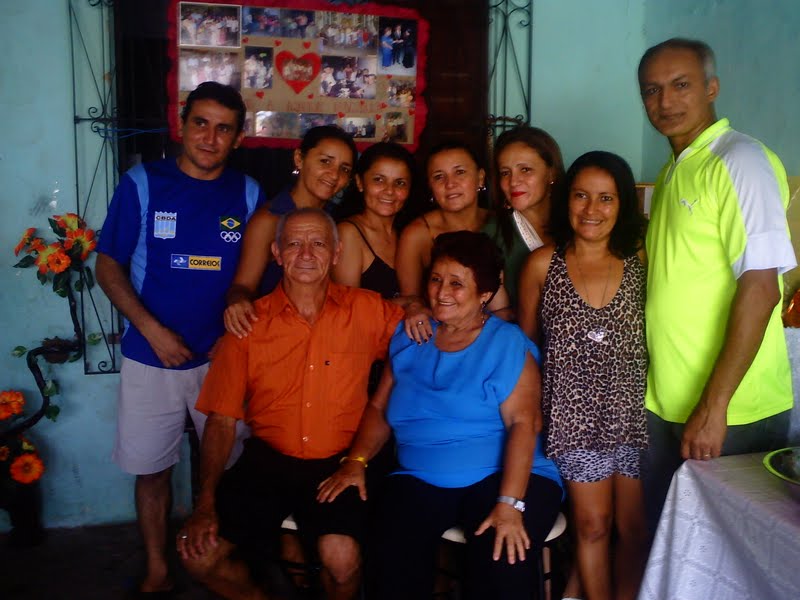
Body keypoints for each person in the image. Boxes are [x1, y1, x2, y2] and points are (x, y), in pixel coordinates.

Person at [319, 231, 563, 599]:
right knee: (389, 557)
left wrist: (510, 504)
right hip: (420, 475)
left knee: (501, 559)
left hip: (504, 475)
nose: (441, 292)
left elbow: (524, 425)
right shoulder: (411, 334)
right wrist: (356, 461)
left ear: (485, 294)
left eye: (456, 284)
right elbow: (379, 407)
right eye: (435, 279)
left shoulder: (506, 342)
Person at [177, 208, 404, 600]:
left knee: (342, 560)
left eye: (318, 244)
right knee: (199, 557)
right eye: (294, 243)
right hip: (269, 461)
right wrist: (205, 503)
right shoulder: (247, 325)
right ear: (276, 253)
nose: (306, 254)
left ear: (336, 253)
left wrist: (417, 309)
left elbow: (420, 345)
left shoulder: (367, 309)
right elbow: (221, 420)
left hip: (340, 461)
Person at [95, 82, 264, 595]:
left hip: (223, 359)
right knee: (152, 471)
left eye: (223, 129)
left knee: (227, 471)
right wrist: (153, 331)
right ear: (181, 124)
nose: (210, 138)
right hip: (151, 357)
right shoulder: (142, 184)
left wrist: (231, 339)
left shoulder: (248, 193)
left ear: (238, 138)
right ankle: (157, 567)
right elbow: (107, 266)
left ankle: (219, 561)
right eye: (200, 124)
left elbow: (258, 279)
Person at [637, 38, 796, 535]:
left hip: (733, 410)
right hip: (668, 402)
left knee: (725, 558)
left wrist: (714, 406)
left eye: (681, 84)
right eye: (652, 90)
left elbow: (762, 288)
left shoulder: (739, 160)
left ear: (711, 88)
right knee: (673, 550)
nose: (666, 101)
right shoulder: (673, 171)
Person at [518, 151, 649, 600]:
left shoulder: (638, 260)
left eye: (606, 198)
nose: (592, 209)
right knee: (593, 526)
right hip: (572, 420)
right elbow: (527, 348)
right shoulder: (542, 265)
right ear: (566, 199)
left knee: (634, 529)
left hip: (632, 416)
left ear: (622, 204)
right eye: (581, 196)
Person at [224, 125, 356, 338]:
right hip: (273, 336)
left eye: (345, 169)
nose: (334, 175)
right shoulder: (269, 220)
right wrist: (238, 303)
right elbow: (242, 287)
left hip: (321, 336)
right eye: (325, 161)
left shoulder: (336, 221)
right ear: (299, 159)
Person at [396, 141, 492, 341]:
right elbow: (412, 303)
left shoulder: (499, 223)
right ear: (430, 186)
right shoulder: (417, 234)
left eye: (460, 172)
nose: (450, 184)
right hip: (440, 334)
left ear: (480, 177)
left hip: (495, 331)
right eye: (439, 176)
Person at [483, 125, 565, 309]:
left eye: (525, 169)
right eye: (505, 173)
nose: (513, 181)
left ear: (551, 173)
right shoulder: (492, 235)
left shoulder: (577, 222)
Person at [333, 142, 415, 300]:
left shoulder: (409, 232)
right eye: (379, 180)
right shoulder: (348, 233)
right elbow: (348, 306)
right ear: (360, 182)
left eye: (400, 183)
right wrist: (405, 305)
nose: (389, 191)